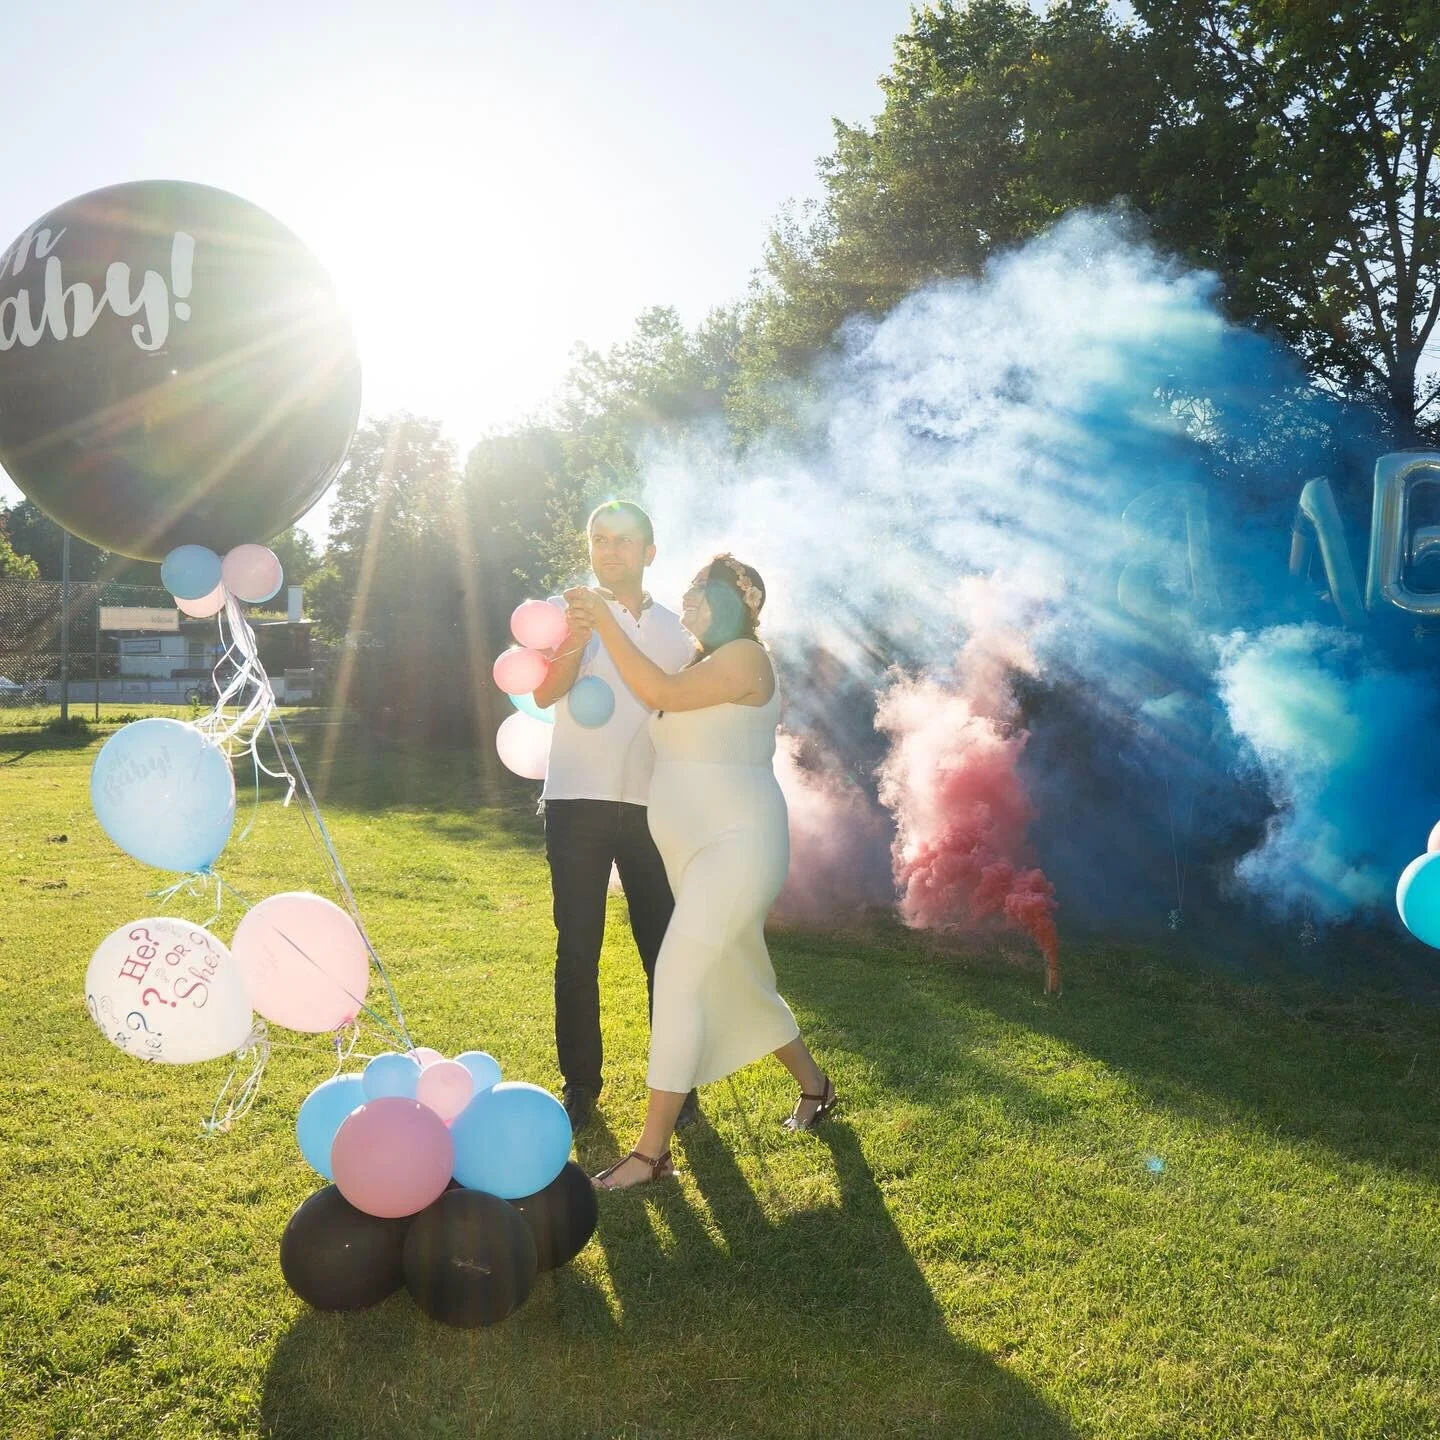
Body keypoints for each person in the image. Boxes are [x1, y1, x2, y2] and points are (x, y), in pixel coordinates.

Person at [565, 553, 838, 1192]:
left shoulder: (746, 657)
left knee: (680, 971)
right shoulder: (704, 667)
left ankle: (651, 1153)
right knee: (740, 980)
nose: (686, 601)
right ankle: (817, 1088)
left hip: (740, 844)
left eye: (698, 592)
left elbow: (656, 693)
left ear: (735, 603)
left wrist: (605, 618)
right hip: (693, 853)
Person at [533, 501, 699, 1132]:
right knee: (578, 948)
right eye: (599, 540)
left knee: (664, 949)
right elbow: (545, 693)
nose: (610, 551)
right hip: (576, 801)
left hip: (654, 805)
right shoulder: (565, 611)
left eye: (624, 541)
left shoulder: (680, 630)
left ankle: (678, 1086)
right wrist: (578, 637)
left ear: (649, 552)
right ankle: (581, 1085)